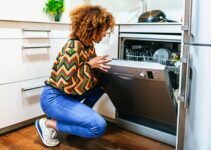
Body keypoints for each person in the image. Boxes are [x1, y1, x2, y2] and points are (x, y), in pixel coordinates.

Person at [35, 5, 115, 147]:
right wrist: (90, 65)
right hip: (54, 97)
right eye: (104, 30)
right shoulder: (73, 47)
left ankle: (73, 120)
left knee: (103, 85)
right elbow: (63, 81)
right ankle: (47, 124)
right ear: (93, 28)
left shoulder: (89, 45)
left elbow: (87, 77)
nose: (105, 34)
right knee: (98, 127)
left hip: (69, 95)